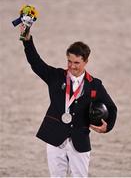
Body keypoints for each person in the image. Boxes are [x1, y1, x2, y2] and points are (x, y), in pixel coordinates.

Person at [19, 24, 117, 177]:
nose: (72, 66)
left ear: (86, 62)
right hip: (55, 137)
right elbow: (36, 62)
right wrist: (27, 39)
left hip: (80, 140)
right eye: (69, 61)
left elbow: (111, 107)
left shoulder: (95, 84)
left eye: (76, 63)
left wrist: (107, 126)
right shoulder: (56, 77)